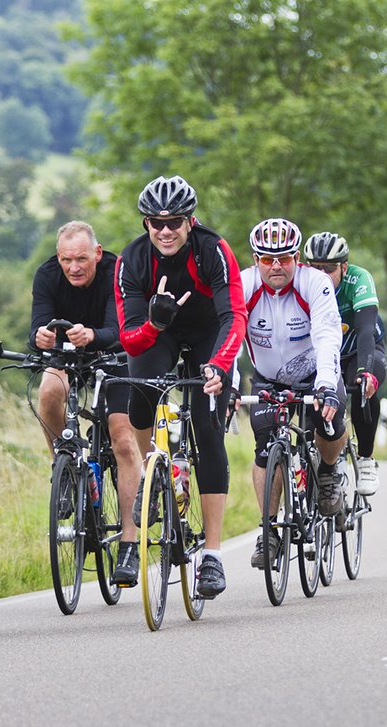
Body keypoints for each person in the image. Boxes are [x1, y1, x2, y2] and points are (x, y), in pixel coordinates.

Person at [112, 175, 246, 598]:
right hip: (161, 332)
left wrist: (220, 366)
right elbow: (129, 337)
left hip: (209, 333)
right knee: (141, 392)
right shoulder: (132, 260)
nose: (165, 231)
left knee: (207, 430)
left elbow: (234, 315)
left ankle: (212, 555)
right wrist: (156, 321)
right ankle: (152, 469)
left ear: (190, 221)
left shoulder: (213, 250)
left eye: (174, 222)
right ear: (145, 223)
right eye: (156, 222)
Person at [28, 221, 141, 571]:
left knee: (122, 439)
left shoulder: (116, 271)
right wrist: (40, 338)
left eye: (81, 259)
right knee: (48, 391)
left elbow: (120, 331)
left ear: (97, 252)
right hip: (68, 355)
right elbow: (38, 326)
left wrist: (91, 334)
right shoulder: (47, 275)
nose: (73, 267)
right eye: (66, 260)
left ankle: (129, 541)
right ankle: (63, 467)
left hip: (115, 354)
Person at [243, 219, 346, 567]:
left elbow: (328, 334)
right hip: (267, 377)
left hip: (317, 374)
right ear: (256, 258)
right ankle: (269, 531)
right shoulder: (243, 284)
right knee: (263, 449)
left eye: (284, 258)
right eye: (267, 259)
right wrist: (224, 387)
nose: (276, 266)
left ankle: (329, 472)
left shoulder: (314, 283)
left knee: (328, 423)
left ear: (296, 257)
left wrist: (327, 386)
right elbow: (228, 337)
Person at [303, 231, 384, 495]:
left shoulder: (358, 280)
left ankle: (366, 458)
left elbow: (365, 330)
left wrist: (366, 371)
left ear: (344, 267)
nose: (322, 274)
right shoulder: (302, 282)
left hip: (356, 351)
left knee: (362, 386)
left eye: (329, 268)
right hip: (320, 354)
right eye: (315, 268)